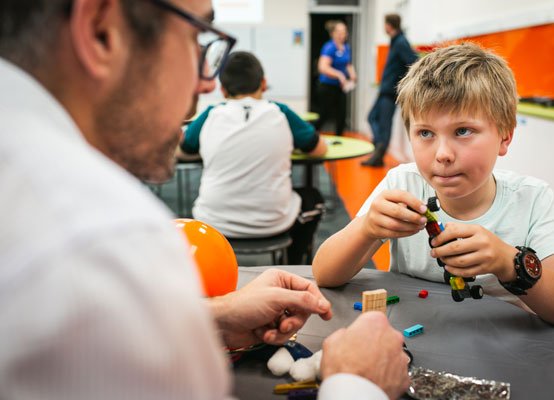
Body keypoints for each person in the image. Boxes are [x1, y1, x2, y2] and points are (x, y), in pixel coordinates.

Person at [0, 0, 411, 399]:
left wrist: (209, 317)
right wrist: (359, 384)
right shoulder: (103, 237)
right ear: (101, 31)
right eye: (197, 39)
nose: (208, 83)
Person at [313, 43, 554, 339]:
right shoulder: (403, 183)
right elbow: (325, 274)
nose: (443, 154)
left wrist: (510, 264)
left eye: (462, 131)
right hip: (414, 347)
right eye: (425, 133)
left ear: (505, 135)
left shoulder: (532, 200)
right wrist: (366, 229)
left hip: (507, 357)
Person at [177, 51, 328, 264]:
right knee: (314, 198)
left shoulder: (210, 114)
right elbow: (319, 149)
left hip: (212, 221)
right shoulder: (280, 112)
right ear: (264, 83)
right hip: (274, 223)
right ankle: (293, 265)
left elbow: (183, 151)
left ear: (222, 89)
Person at [362, 13, 418, 167]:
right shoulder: (395, 41)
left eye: (385, 23)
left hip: (391, 91)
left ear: (389, 25)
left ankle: (378, 154)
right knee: (372, 117)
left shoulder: (400, 42)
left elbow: (414, 62)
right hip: (385, 89)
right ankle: (378, 148)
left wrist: (402, 83)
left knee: (384, 123)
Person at [313, 20, 356, 136]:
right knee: (324, 114)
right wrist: (339, 75)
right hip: (327, 86)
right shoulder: (329, 47)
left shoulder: (346, 47)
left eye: (345, 31)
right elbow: (322, 67)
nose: (344, 34)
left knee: (342, 113)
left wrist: (352, 73)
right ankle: (310, 135)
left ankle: (339, 138)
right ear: (334, 33)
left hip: (340, 86)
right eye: (341, 32)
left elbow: (347, 64)